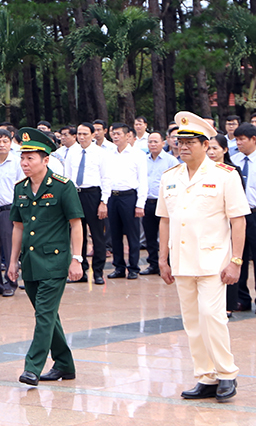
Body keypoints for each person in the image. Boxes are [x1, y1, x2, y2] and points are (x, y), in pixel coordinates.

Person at [157, 112, 247, 402]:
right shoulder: (170, 177)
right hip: (182, 260)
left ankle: (226, 374)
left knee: (213, 317)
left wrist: (235, 261)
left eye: (190, 142)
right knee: (192, 321)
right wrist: (162, 258)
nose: (182, 147)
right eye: (179, 142)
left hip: (213, 260)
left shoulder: (224, 176)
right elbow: (164, 220)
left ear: (205, 144)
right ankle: (205, 376)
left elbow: (238, 220)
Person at [6, 128, 85, 386]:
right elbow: (17, 227)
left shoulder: (63, 187)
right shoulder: (20, 189)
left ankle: (32, 366)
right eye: (23, 158)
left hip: (54, 262)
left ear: (46, 160)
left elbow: (76, 224)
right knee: (48, 315)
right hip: (30, 263)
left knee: (43, 314)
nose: (25, 163)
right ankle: (64, 364)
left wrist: (77, 259)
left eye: (31, 158)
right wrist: (12, 261)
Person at [64, 122, 110, 285]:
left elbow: (106, 178)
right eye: (79, 134)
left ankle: (98, 272)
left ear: (92, 135)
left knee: (97, 235)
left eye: (85, 134)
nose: (82, 137)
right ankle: (80, 270)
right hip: (76, 194)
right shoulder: (72, 152)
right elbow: (67, 176)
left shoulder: (100, 153)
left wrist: (103, 201)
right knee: (78, 234)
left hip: (93, 194)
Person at [106, 123, 148, 279]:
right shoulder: (109, 154)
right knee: (115, 234)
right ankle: (118, 267)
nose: (115, 137)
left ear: (127, 135)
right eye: (113, 134)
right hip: (112, 197)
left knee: (132, 234)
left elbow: (143, 181)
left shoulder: (137, 154)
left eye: (118, 134)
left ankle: (133, 267)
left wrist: (140, 204)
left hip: (129, 196)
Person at [0, 129, 23, 297]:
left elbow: (22, 187)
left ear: (10, 143)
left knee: (10, 248)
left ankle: (11, 282)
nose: (1, 145)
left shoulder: (17, 163)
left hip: (9, 210)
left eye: (5, 142)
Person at [211, 134, 243, 313]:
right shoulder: (201, 171)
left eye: (216, 148)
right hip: (209, 227)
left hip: (229, 224)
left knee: (228, 263)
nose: (212, 152)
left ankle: (229, 305)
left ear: (224, 149)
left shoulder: (232, 171)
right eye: (209, 148)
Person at [142, 131, 178, 276]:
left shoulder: (171, 161)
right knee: (150, 236)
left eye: (156, 141)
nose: (153, 144)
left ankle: (168, 263)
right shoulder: (143, 160)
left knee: (167, 236)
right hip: (148, 202)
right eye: (150, 142)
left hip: (165, 203)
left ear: (163, 143)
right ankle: (153, 264)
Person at [229, 122, 256, 311]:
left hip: (255, 213)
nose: (238, 143)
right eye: (236, 140)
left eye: (242, 139)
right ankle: (242, 298)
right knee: (240, 256)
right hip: (239, 215)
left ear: (253, 139)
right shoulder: (234, 161)